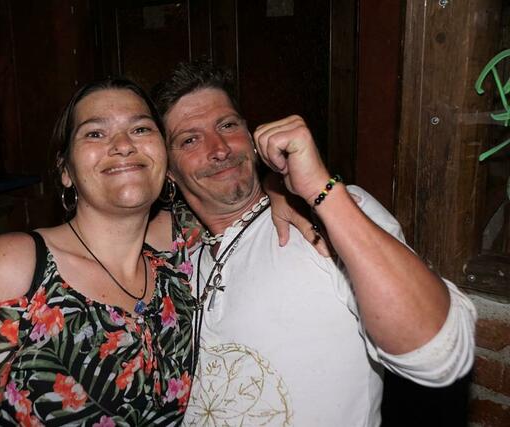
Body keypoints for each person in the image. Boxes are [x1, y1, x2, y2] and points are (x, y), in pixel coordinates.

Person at [151, 60, 477, 426]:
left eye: (227, 125)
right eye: (190, 140)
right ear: (168, 170)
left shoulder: (333, 216)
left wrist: (320, 190)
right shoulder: (175, 261)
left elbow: (439, 356)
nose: (220, 148)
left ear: (252, 135)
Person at [0, 78, 198, 426]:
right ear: (66, 171)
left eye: (141, 129)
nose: (124, 145)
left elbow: (238, 203)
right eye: (95, 133)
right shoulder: (15, 267)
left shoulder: (177, 255)